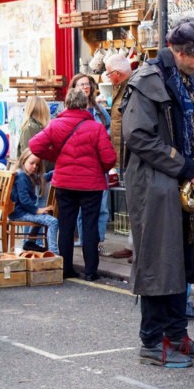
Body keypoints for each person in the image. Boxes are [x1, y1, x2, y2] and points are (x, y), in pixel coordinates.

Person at [121, 17, 194, 368]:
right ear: (180, 52)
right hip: (156, 185)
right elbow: (138, 136)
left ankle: (176, 334)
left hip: (178, 180)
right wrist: (182, 164)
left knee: (181, 261)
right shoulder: (148, 80)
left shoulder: (186, 80)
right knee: (158, 262)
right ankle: (151, 340)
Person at [29, 88, 116, 281]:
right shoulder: (96, 128)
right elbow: (109, 159)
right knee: (90, 226)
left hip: (64, 183)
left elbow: (35, 146)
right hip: (91, 185)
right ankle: (91, 271)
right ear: (85, 105)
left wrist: (57, 156)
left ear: (66, 104)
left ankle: (66, 268)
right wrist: (95, 165)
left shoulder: (55, 125)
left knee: (66, 226)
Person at [71, 73, 112, 255]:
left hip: (98, 164)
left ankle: (98, 242)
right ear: (74, 88)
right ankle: (85, 241)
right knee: (82, 208)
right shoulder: (72, 111)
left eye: (87, 84)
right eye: (81, 85)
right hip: (79, 166)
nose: (85, 87)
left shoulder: (100, 111)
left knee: (102, 206)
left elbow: (109, 130)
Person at [103, 53, 135, 261]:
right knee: (130, 201)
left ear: (116, 73)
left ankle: (137, 247)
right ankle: (132, 244)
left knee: (135, 201)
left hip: (131, 151)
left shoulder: (131, 87)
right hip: (121, 152)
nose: (107, 77)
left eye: (108, 73)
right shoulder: (120, 86)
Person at [11, 149, 59, 255]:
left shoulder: (26, 174)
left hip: (21, 211)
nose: (34, 167)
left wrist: (57, 170)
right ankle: (54, 254)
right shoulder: (22, 177)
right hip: (21, 212)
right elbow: (24, 201)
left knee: (43, 217)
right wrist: (38, 210)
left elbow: (43, 178)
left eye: (37, 165)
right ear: (23, 160)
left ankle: (30, 243)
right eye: (31, 163)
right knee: (53, 221)